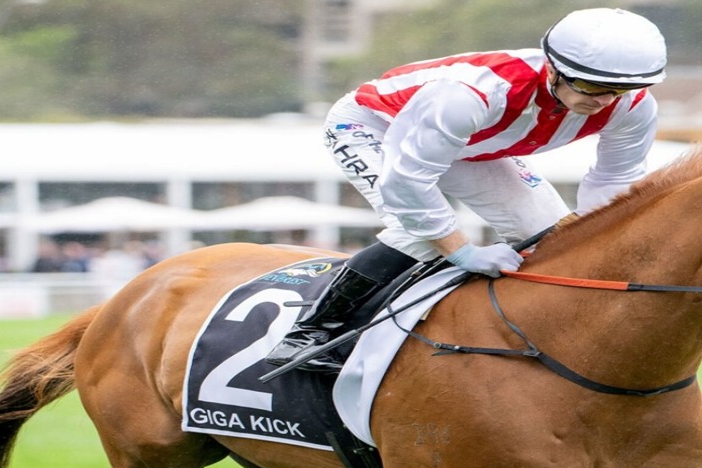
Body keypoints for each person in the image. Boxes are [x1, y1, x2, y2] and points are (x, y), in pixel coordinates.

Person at [266, 7, 667, 373]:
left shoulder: (634, 106)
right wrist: (462, 251)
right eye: (586, 85)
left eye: (616, 91)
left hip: (472, 144)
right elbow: (407, 182)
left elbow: (615, 183)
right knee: (420, 234)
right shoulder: (471, 94)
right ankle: (307, 334)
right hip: (374, 126)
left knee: (553, 232)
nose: (600, 100)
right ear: (553, 68)